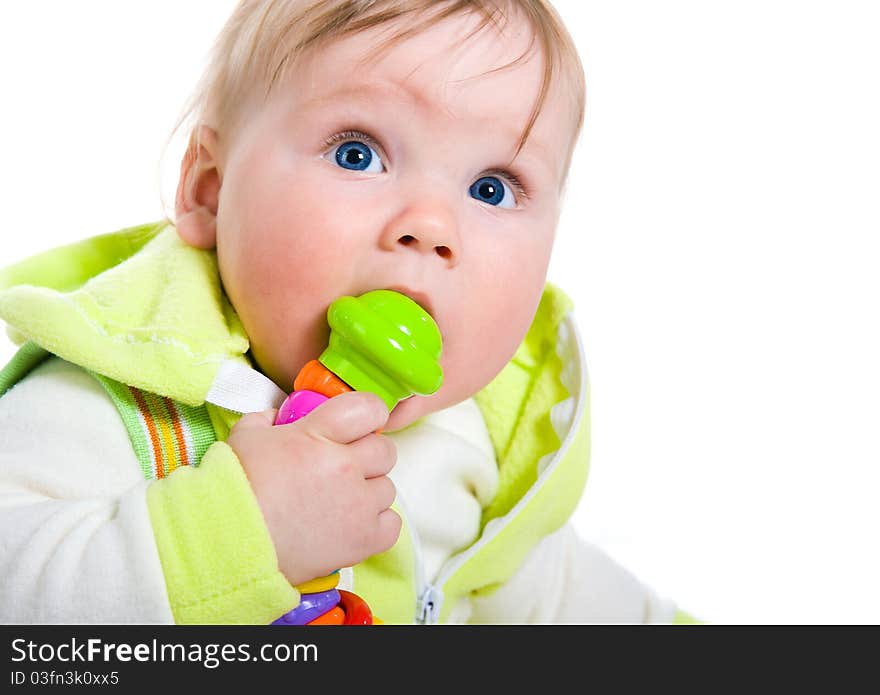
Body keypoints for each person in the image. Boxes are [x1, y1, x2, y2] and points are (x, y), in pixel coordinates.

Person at [0, 0, 694, 624]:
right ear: (212, 190)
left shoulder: (474, 441)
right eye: (358, 154)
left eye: (492, 187)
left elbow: (558, 599)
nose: (431, 224)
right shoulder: (109, 402)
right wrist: (232, 533)